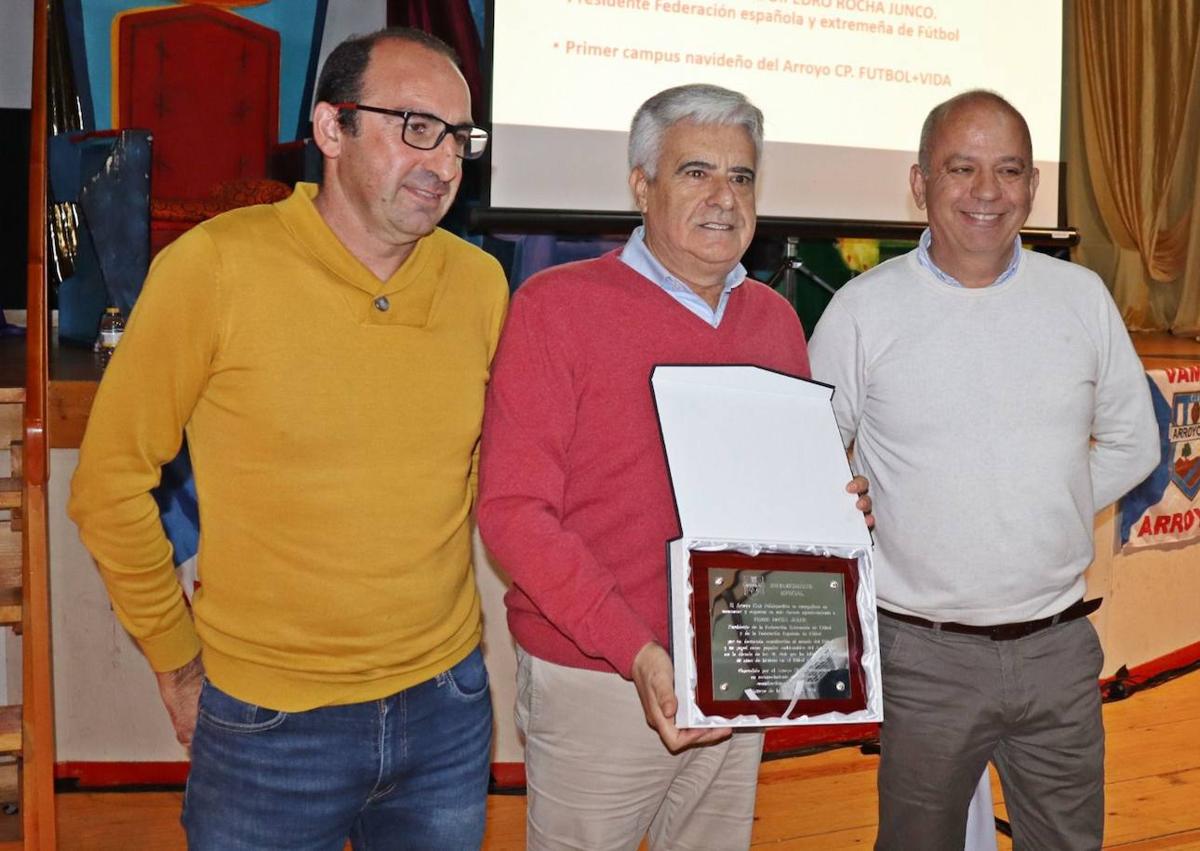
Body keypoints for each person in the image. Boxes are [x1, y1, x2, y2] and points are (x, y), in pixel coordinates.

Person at [68, 27, 507, 850]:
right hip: (270, 723)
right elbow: (109, 485)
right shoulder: (214, 269)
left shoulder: (478, 283)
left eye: (458, 136)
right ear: (330, 130)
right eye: (414, 126)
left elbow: (489, 474)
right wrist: (176, 663)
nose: (443, 161)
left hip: (446, 707)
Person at [477, 83, 872, 850]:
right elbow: (513, 513)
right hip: (601, 677)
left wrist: (831, 512)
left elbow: (777, 504)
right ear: (641, 184)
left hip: (742, 671)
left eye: (743, 176)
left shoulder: (775, 320)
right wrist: (636, 649)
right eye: (696, 172)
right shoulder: (556, 307)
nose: (724, 197)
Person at [809, 90, 1159, 850]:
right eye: (960, 168)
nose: (986, 192)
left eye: (1007, 171)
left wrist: (1046, 501)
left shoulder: (1081, 298)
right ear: (920, 182)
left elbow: (1135, 443)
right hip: (923, 656)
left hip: (1060, 649)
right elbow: (807, 461)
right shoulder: (862, 312)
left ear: (1033, 188)